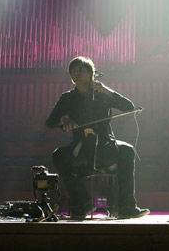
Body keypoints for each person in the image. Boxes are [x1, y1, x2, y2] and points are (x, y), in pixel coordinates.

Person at [46, 56, 149, 219]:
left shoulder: (102, 95)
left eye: (80, 70)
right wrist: (63, 123)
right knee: (58, 155)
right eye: (73, 71)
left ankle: (126, 206)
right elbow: (50, 122)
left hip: (106, 145)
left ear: (91, 73)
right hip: (80, 147)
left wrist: (106, 90)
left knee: (127, 151)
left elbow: (128, 107)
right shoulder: (67, 98)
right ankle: (82, 200)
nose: (76, 73)